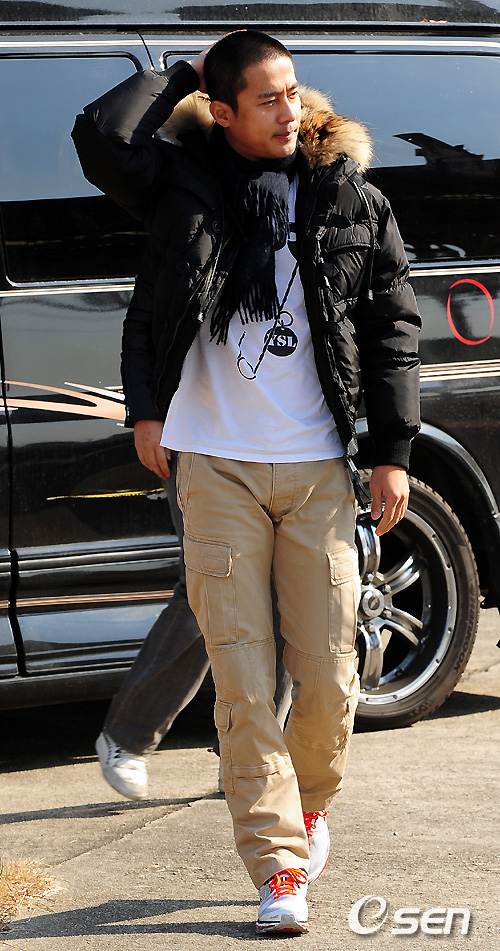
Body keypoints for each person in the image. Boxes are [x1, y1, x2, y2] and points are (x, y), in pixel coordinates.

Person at [72, 30, 420, 935]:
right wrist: (182, 75)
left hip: (318, 467)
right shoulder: (180, 185)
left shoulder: (349, 194)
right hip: (215, 463)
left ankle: (311, 804)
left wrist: (393, 451)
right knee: (241, 674)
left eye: (294, 92)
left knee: (331, 671)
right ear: (222, 111)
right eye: (265, 97)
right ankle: (277, 864)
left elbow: (392, 329)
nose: (289, 111)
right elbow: (101, 139)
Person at [95, 270, 292, 801]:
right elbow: (144, 320)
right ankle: (128, 735)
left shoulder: (303, 222)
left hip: (281, 431)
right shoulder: (193, 219)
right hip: (198, 429)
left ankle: (251, 760)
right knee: (208, 587)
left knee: (285, 589)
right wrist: (146, 413)